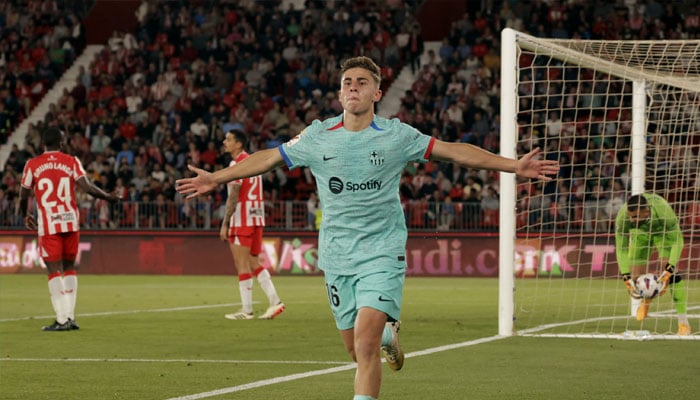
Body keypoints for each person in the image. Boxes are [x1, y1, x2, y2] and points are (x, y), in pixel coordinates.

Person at [177, 56, 559, 400]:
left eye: (361, 81)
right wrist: (218, 178)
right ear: (340, 92)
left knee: (364, 344)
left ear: (377, 91)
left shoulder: (396, 135)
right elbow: (268, 158)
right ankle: (389, 335)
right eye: (347, 82)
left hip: (382, 250)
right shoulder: (316, 136)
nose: (353, 87)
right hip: (337, 255)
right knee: (355, 351)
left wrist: (513, 166)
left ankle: (379, 339)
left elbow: (454, 150)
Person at [19, 127, 120, 331]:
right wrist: (108, 196)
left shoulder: (32, 164)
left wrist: (25, 215)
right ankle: (70, 317)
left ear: (43, 144)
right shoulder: (71, 161)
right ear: (62, 143)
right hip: (70, 222)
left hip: (48, 225)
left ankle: (62, 319)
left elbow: (23, 195)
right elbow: (88, 187)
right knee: (70, 267)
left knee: (53, 270)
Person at [219, 129, 285, 320]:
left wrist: (225, 222)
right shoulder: (253, 160)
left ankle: (246, 310)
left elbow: (234, 193)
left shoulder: (238, 163)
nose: (225, 142)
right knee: (253, 261)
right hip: (257, 216)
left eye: (229, 139)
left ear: (239, 144)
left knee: (242, 264)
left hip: (242, 218)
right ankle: (275, 302)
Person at [614, 193, 690, 335]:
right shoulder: (623, 218)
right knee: (636, 276)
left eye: (636, 217)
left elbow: (677, 241)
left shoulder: (663, 211)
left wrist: (669, 267)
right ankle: (647, 301)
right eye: (630, 216)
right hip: (640, 234)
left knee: (669, 272)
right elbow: (621, 248)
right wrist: (626, 276)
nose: (632, 220)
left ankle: (683, 322)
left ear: (646, 212)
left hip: (662, 232)